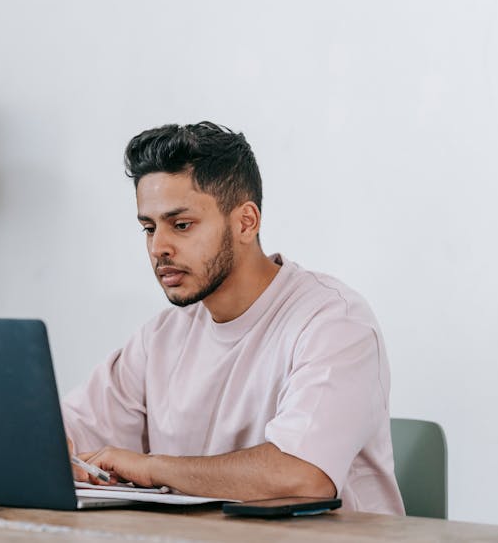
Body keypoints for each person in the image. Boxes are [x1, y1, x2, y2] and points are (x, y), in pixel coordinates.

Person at [61, 122, 405, 515]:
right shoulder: (160, 337)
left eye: (181, 225)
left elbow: (304, 476)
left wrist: (151, 467)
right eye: (148, 228)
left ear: (246, 222)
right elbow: (63, 434)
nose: (158, 248)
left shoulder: (334, 322)